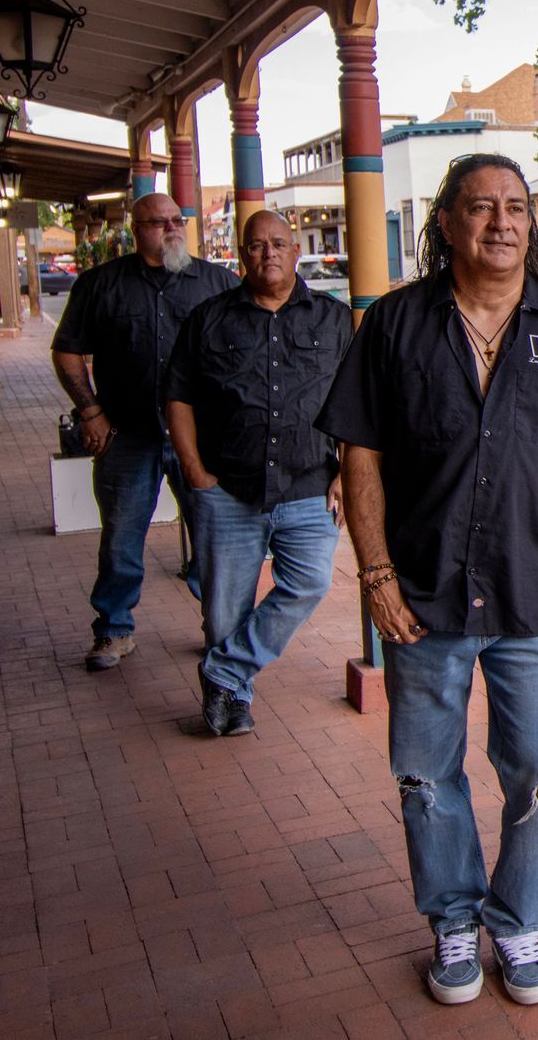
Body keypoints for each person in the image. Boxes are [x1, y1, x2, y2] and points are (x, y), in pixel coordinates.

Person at [316, 153, 538, 1009]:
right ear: (444, 223)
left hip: (530, 598)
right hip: (424, 596)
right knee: (425, 772)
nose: (502, 223)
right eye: (480, 207)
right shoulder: (396, 326)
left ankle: (515, 920)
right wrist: (375, 577)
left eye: (516, 207)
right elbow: (358, 454)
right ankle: (451, 916)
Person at [165, 211, 352, 736]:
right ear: (241, 254)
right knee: (223, 611)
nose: (267, 253)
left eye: (277, 244)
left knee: (309, 584)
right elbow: (177, 396)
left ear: (295, 252)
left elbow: (358, 403)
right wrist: (195, 470)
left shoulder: (334, 321)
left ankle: (224, 670)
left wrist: (350, 471)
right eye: (255, 245)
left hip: (309, 484)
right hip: (227, 487)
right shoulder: (208, 319)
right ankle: (234, 698)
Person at [52, 194, 238, 671]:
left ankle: (219, 629)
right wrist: (90, 410)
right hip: (129, 434)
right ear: (136, 230)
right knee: (120, 538)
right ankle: (114, 630)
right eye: (159, 222)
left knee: (215, 536)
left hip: (202, 438)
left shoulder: (217, 284)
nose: (172, 229)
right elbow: (68, 350)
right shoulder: (101, 285)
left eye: (178, 220)